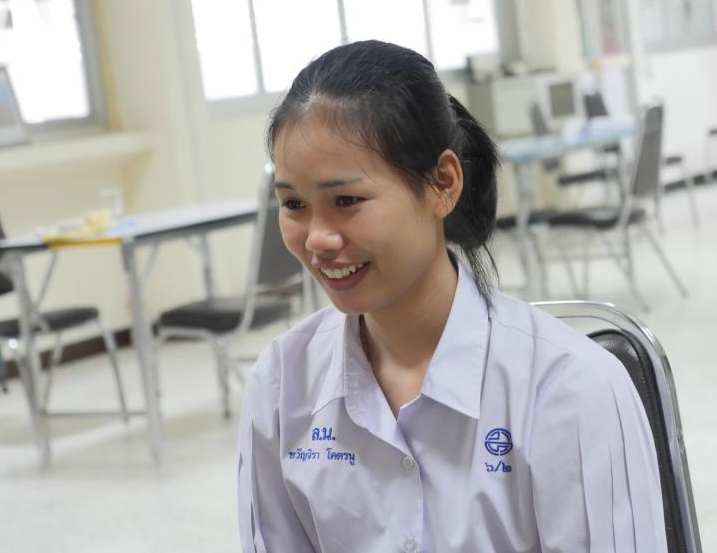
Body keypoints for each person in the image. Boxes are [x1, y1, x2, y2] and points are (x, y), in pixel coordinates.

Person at [237, 40, 666, 552]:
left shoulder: (568, 388)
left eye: (346, 200)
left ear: (442, 183)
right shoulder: (282, 384)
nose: (318, 238)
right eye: (293, 205)